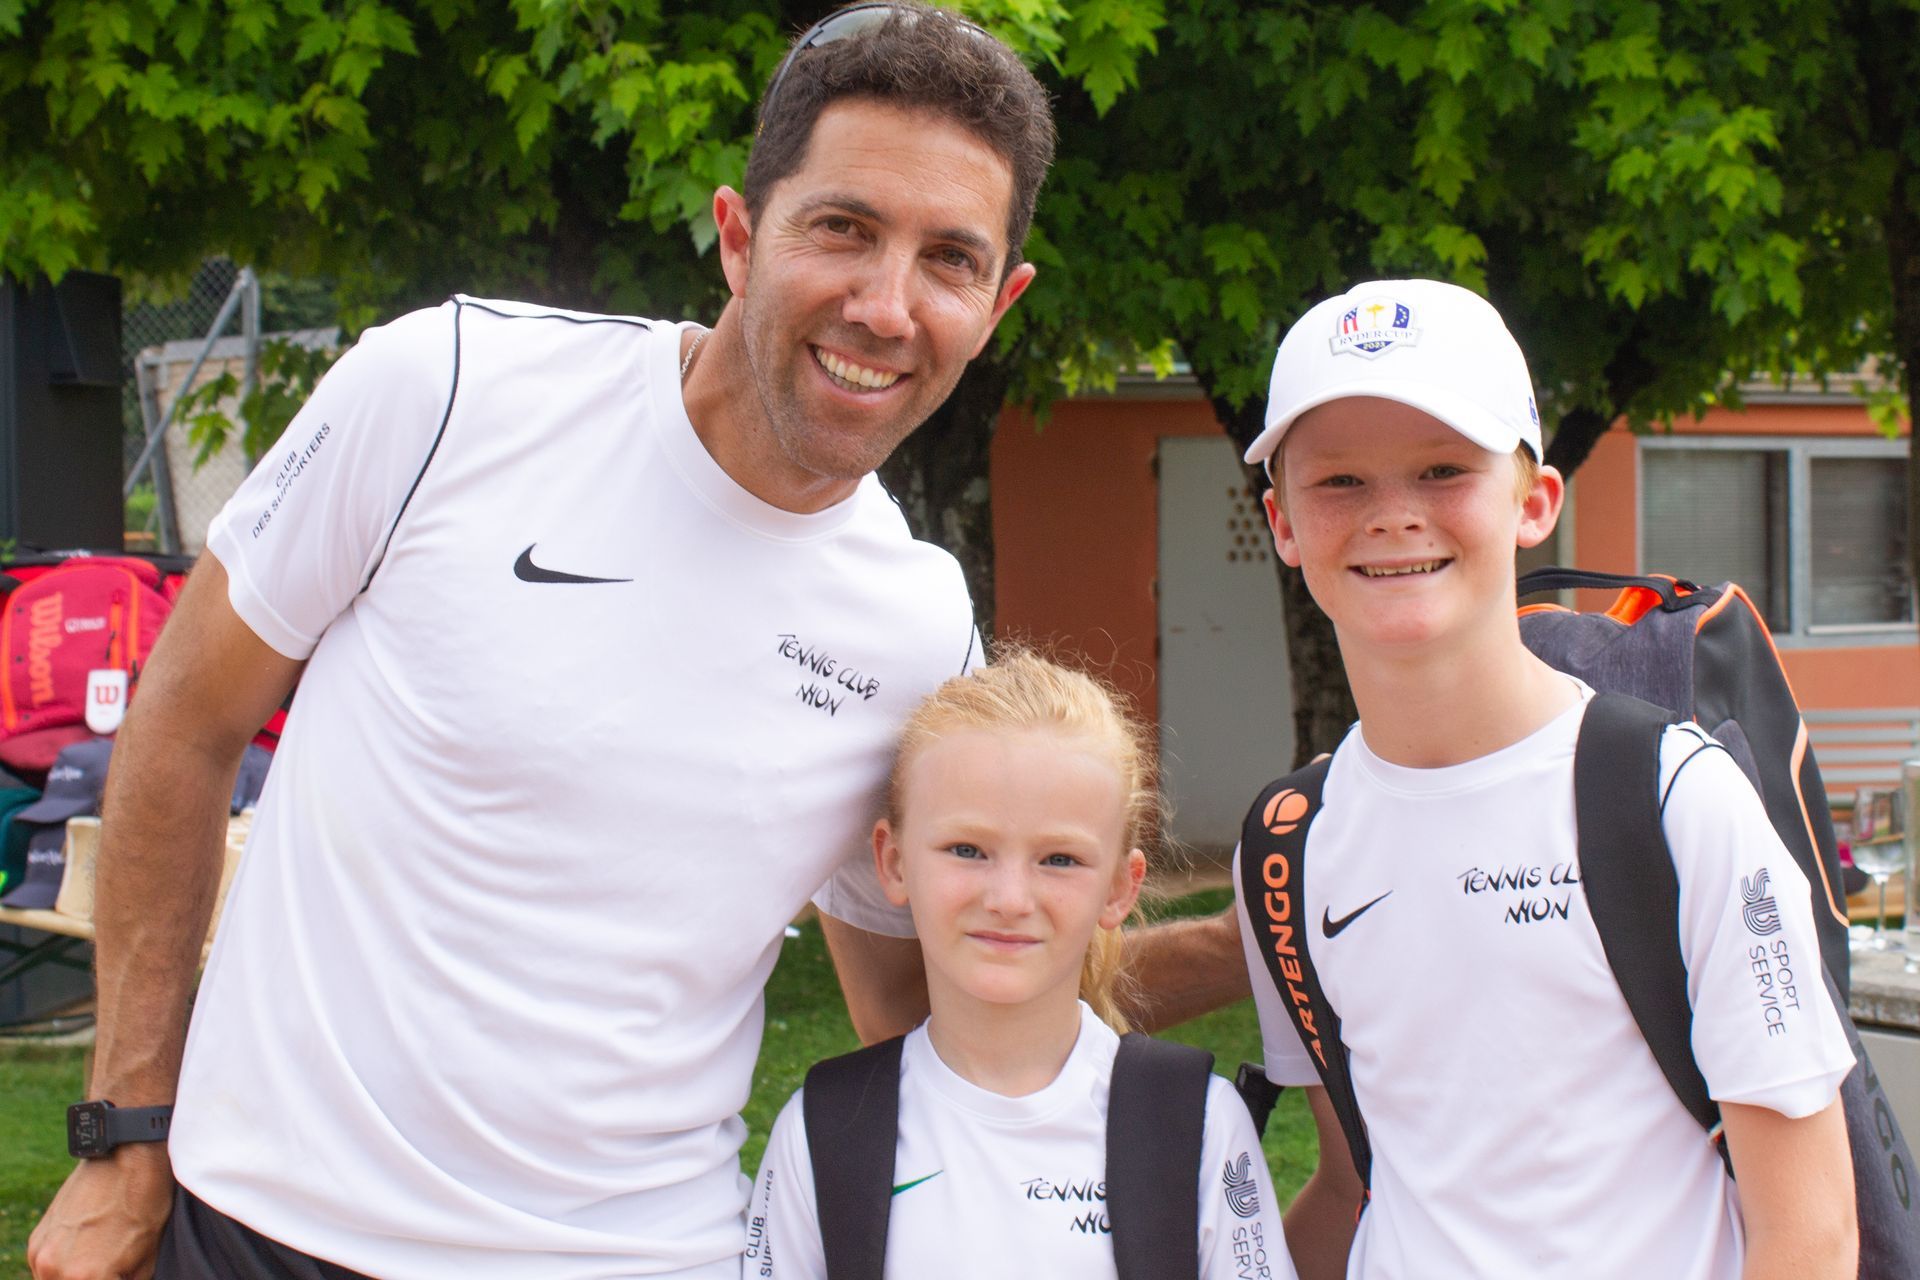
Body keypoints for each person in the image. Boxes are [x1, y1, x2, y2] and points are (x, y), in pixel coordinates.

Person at [24, 8, 1233, 1279]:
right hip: (263, 1226)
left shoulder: (914, 624)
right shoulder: (446, 388)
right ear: (737, 235)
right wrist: (124, 1136)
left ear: (1000, 301)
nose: (886, 305)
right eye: (843, 229)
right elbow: (184, 717)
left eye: (950, 259)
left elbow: (937, 1005)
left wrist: (1275, 940)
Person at [1234, 279, 1860, 1280]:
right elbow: (1357, 1182)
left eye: (1443, 470)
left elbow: (1811, 1232)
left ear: (1535, 502)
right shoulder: (1287, 843)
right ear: (1283, 523)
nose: (1394, 516)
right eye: (1340, 481)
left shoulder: (1674, 798)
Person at [746, 650, 1295, 1279]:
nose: (1009, 900)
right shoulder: (826, 1130)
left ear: (1120, 887)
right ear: (894, 862)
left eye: (1059, 859)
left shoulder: (1195, 1122)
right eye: (967, 849)